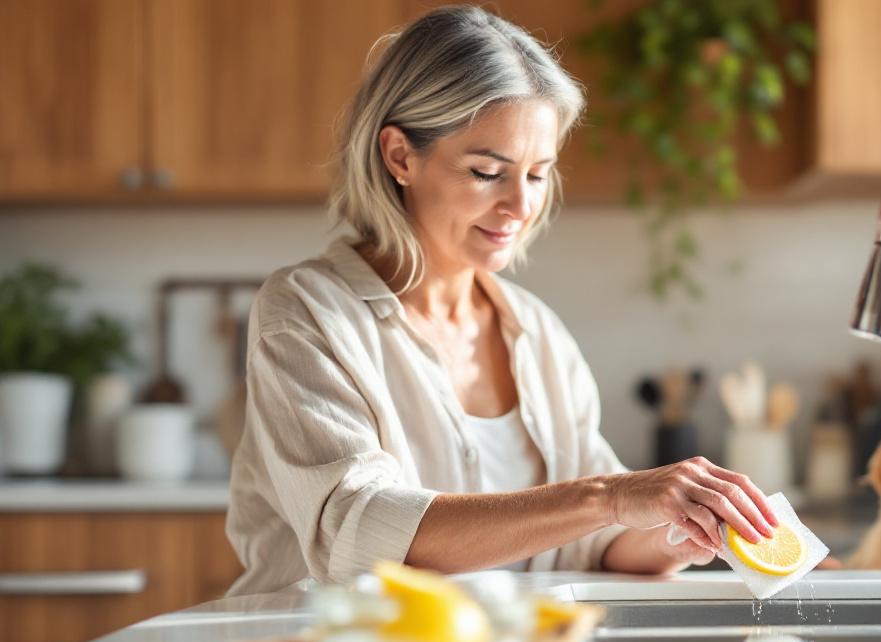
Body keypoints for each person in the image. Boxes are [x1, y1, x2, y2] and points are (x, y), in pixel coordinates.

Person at [225, 5, 777, 596]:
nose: (521, 205)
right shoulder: (308, 314)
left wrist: (683, 524)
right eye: (489, 171)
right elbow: (357, 533)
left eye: (538, 174)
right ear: (399, 156)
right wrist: (609, 497)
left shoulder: (536, 332)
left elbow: (596, 542)